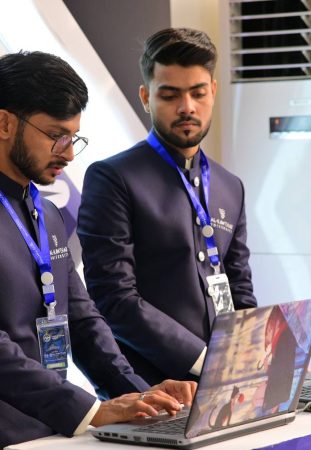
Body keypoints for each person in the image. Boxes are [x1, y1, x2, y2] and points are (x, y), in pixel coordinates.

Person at [0, 50, 196, 449]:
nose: (68, 153)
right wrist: (90, 411)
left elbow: (83, 321)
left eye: (73, 137)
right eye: (55, 135)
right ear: (4, 123)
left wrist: (139, 395)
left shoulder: (47, 213)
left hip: (50, 432)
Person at [77, 28, 257, 386]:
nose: (187, 107)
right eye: (170, 95)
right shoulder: (112, 178)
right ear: (146, 97)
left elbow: (239, 285)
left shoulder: (230, 185)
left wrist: (252, 352)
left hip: (226, 385)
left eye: (198, 93)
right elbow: (114, 297)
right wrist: (206, 361)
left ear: (213, 92)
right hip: (146, 389)